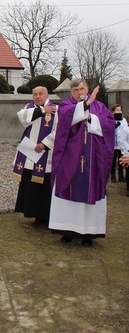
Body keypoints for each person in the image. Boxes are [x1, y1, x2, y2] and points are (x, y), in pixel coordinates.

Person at [49, 79, 115, 247]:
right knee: (67, 191)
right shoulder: (65, 106)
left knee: (91, 189)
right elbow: (63, 122)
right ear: (71, 92)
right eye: (76, 90)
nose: (79, 92)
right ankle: (67, 230)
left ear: (88, 89)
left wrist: (92, 117)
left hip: (93, 159)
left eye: (82, 89)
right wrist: (85, 106)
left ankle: (89, 233)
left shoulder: (100, 107)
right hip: (70, 160)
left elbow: (109, 124)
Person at [12, 86, 58, 226]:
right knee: (30, 184)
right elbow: (22, 117)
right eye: (35, 94)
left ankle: (46, 216)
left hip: (46, 153)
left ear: (47, 94)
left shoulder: (56, 109)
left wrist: (44, 144)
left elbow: (58, 130)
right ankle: (35, 215)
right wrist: (43, 110)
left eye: (41, 94)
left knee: (44, 186)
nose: (38, 96)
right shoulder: (29, 107)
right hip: (29, 153)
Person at [111, 104, 127, 182]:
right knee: (113, 161)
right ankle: (113, 176)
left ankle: (121, 175)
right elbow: (108, 130)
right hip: (113, 143)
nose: (119, 111)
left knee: (121, 160)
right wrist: (115, 126)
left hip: (121, 144)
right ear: (113, 112)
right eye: (117, 110)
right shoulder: (110, 119)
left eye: (120, 110)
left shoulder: (124, 120)